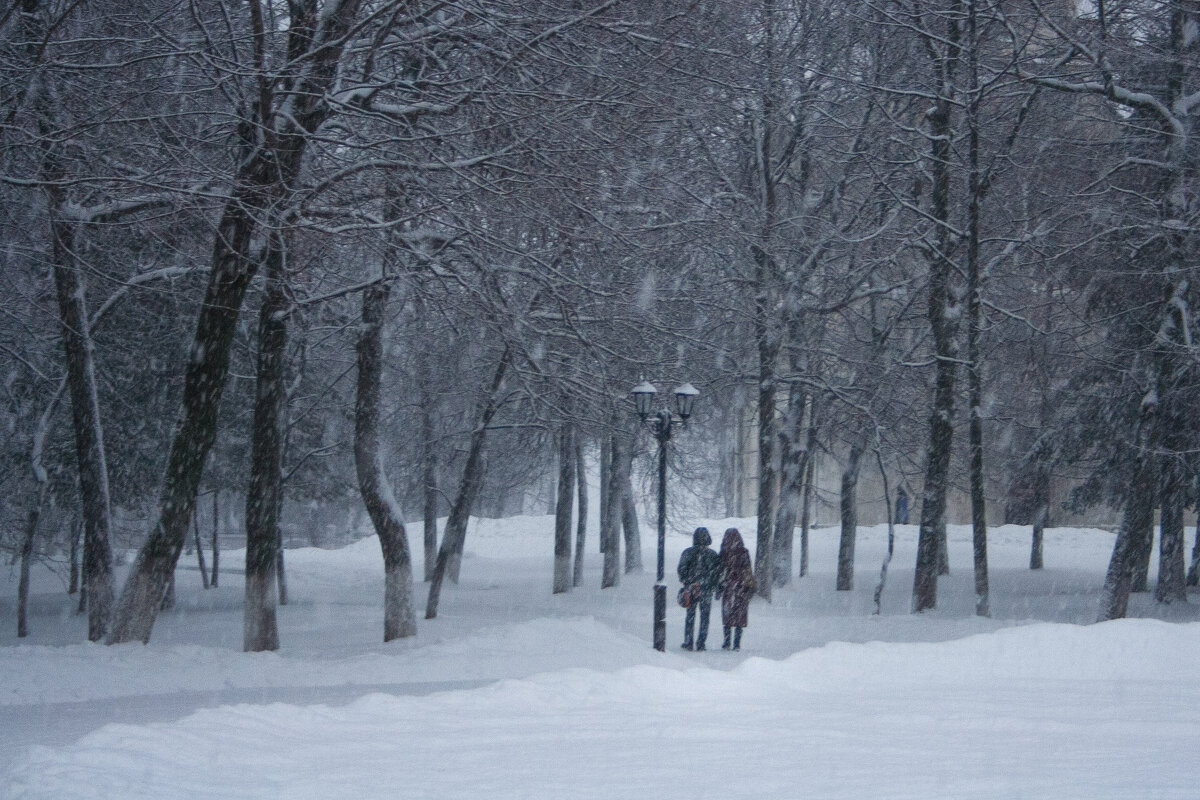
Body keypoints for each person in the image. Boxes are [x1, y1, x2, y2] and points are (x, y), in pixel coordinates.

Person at [676, 526, 720, 651]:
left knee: (690, 616)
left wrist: (688, 582)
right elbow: (716, 573)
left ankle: (688, 641)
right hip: (706, 590)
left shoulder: (688, 553)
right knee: (705, 617)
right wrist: (713, 586)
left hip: (691, 589)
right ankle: (701, 642)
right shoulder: (712, 555)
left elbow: (681, 570)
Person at [717, 527, 754, 651]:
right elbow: (747, 570)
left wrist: (719, 587)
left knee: (727, 615)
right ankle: (737, 643)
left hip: (728, 587)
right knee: (740, 615)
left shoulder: (723, 553)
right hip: (741, 587)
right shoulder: (743, 552)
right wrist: (748, 586)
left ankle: (726, 641)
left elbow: (720, 572)